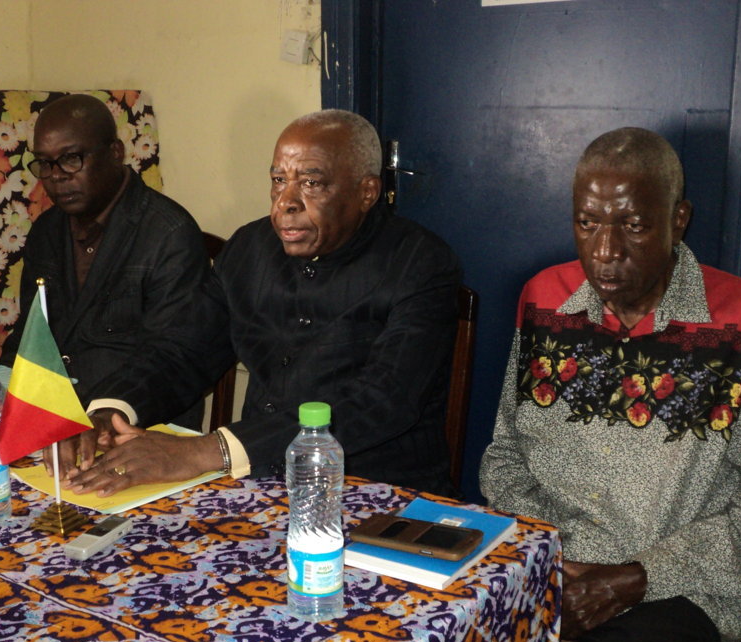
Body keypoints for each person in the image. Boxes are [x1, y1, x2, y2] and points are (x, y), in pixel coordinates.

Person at [479, 127, 741, 642]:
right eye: (587, 223)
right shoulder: (544, 299)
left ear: (678, 221)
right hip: (551, 563)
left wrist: (636, 577)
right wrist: (554, 556)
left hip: (672, 588)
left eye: (632, 226)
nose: (605, 251)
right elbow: (505, 455)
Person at [65, 109, 461, 497]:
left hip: (376, 489)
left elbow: (382, 402)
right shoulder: (249, 249)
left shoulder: (420, 263)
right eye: (278, 180)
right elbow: (185, 348)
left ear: (366, 192)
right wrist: (111, 410)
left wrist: (206, 451)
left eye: (311, 183)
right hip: (260, 482)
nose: (285, 202)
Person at [0, 93, 209, 437]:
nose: (56, 176)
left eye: (71, 159)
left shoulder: (168, 234)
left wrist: (109, 411)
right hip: (56, 422)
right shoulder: (46, 231)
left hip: (141, 430)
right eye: (45, 163)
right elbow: (30, 335)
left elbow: (174, 359)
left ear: (115, 152)